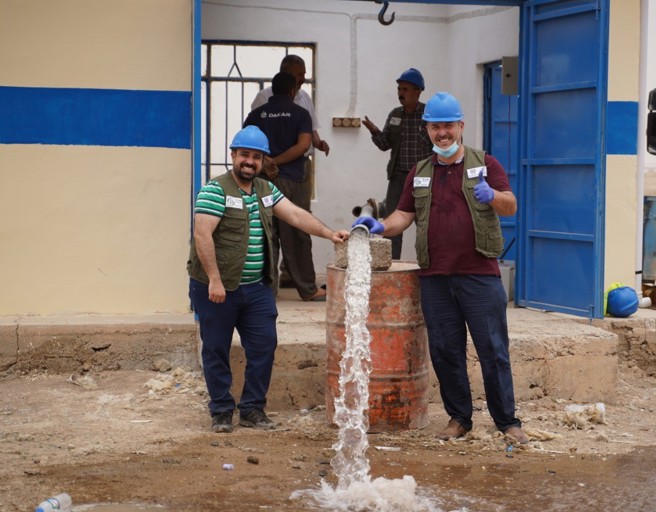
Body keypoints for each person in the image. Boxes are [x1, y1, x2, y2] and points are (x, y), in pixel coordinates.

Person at [351, 92, 529, 444]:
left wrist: (492, 196)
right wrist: (381, 226)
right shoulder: (419, 172)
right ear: (427, 130)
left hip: (479, 275)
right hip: (435, 278)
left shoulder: (485, 164)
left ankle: (508, 422)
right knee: (446, 352)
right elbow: (404, 215)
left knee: (493, 350)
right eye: (435, 127)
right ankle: (459, 419)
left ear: (461, 126)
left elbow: (511, 205)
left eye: (448, 125)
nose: (442, 133)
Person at [188, 125, 348, 433]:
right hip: (218, 287)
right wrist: (214, 280)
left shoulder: (265, 190)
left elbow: (296, 215)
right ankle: (221, 410)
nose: (249, 162)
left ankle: (252, 409)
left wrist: (330, 234)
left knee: (264, 346)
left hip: (257, 287)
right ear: (233, 156)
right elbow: (202, 234)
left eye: (256, 157)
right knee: (216, 348)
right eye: (244, 155)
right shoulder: (215, 190)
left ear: (262, 161)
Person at [244, 72, 326, 302]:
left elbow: (248, 144)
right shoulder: (300, 114)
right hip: (293, 180)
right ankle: (308, 289)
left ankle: (266, 290)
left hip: (262, 181)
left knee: (265, 234)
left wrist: (267, 162)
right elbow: (303, 145)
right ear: (292, 91)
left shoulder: (256, 115)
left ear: (273, 90)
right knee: (297, 231)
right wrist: (278, 162)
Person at [361, 68, 433, 260]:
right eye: (399, 89)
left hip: (423, 178)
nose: (401, 93)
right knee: (392, 223)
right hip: (398, 178)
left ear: (418, 91)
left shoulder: (429, 115)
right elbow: (385, 145)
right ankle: (390, 266)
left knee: (425, 224)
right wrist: (375, 131)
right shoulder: (395, 114)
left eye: (405, 89)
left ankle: (428, 266)